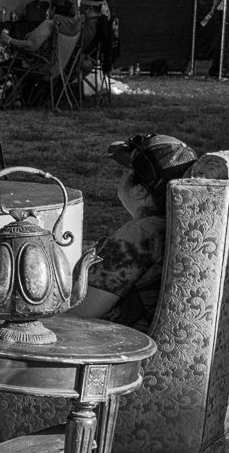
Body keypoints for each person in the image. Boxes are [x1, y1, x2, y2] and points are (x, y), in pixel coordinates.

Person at [74, 132, 195, 331]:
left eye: (124, 172)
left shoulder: (137, 236)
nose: (120, 177)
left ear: (140, 191)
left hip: (117, 347)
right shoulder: (178, 225)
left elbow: (81, 313)